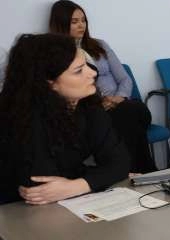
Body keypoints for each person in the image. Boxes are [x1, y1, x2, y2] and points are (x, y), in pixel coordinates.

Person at [0, 34, 130, 205]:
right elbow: (40, 186)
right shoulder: (23, 116)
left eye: (87, 65)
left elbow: (120, 162)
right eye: (78, 71)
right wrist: (99, 176)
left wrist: (76, 185)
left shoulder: (87, 102)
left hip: (59, 204)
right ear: (49, 82)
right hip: (14, 207)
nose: (93, 73)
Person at [48, 0, 157, 173]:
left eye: (83, 20)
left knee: (129, 112)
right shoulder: (56, 54)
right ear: (61, 24)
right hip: (98, 111)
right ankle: (147, 171)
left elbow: (125, 79)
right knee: (127, 122)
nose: (81, 25)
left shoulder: (99, 45)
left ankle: (128, 173)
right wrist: (100, 105)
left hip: (124, 103)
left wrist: (118, 98)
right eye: (74, 22)